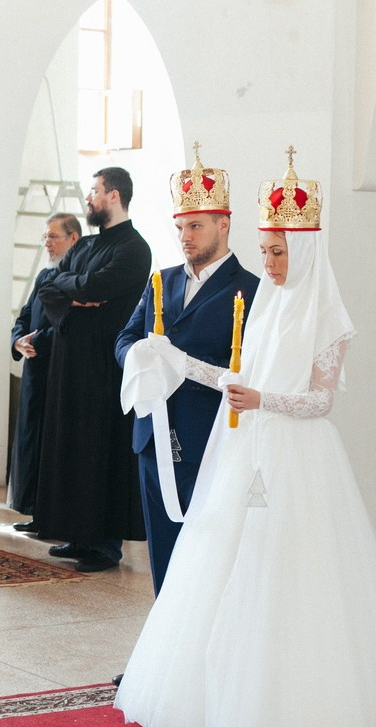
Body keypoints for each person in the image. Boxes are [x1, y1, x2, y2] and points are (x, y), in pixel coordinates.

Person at [113, 151, 376, 727]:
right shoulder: (262, 303)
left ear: (306, 248)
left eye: (278, 251)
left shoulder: (330, 319)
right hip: (247, 445)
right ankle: (216, 682)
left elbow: (320, 401)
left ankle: (286, 698)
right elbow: (239, 372)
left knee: (292, 572)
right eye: (265, 251)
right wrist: (185, 365)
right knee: (225, 563)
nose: (269, 262)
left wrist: (261, 397)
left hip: (300, 455)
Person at [115, 146, 259, 594]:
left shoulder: (249, 290)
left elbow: (247, 369)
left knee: (205, 551)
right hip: (153, 435)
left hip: (209, 437)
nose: (186, 237)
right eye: (180, 228)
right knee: (162, 548)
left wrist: (180, 365)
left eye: (196, 226)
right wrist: (138, 357)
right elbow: (124, 340)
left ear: (224, 223)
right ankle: (164, 660)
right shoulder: (162, 280)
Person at [36, 167, 151, 572]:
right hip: (70, 365)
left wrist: (78, 290)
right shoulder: (84, 247)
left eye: (95, 192)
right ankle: (78, 534)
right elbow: (49, 286)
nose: (89, 198)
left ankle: (104, 545)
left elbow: (93, 288)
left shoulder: (135, 249)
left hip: (105, 367)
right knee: (72, 447)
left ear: (114, 196)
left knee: (101, 450)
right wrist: (76, 293)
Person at [8, 212, 81, 532]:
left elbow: (70, 325)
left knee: (52, 445)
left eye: (53, 236)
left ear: (73, 239)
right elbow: (24, 316)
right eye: (45, 237)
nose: (47, 243)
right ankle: (36, 511)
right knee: (31, 443)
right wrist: (18, 340)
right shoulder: (43, 276)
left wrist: (38, 341)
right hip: (34, 370)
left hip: (57, 370)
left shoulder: (78, 279)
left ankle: (54, 516)